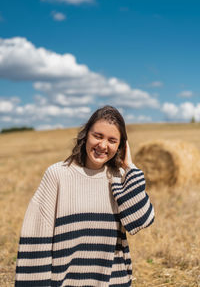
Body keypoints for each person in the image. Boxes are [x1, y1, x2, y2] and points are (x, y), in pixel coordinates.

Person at [15, 105, 154, 287]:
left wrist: (130, 168)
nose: (103, 145)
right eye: (97, 136)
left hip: (113, 281)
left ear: (121, 145)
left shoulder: (119, 177)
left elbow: (141, 220)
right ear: (86, 134)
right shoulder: (57, 175)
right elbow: (36, 235)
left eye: (112, 140)